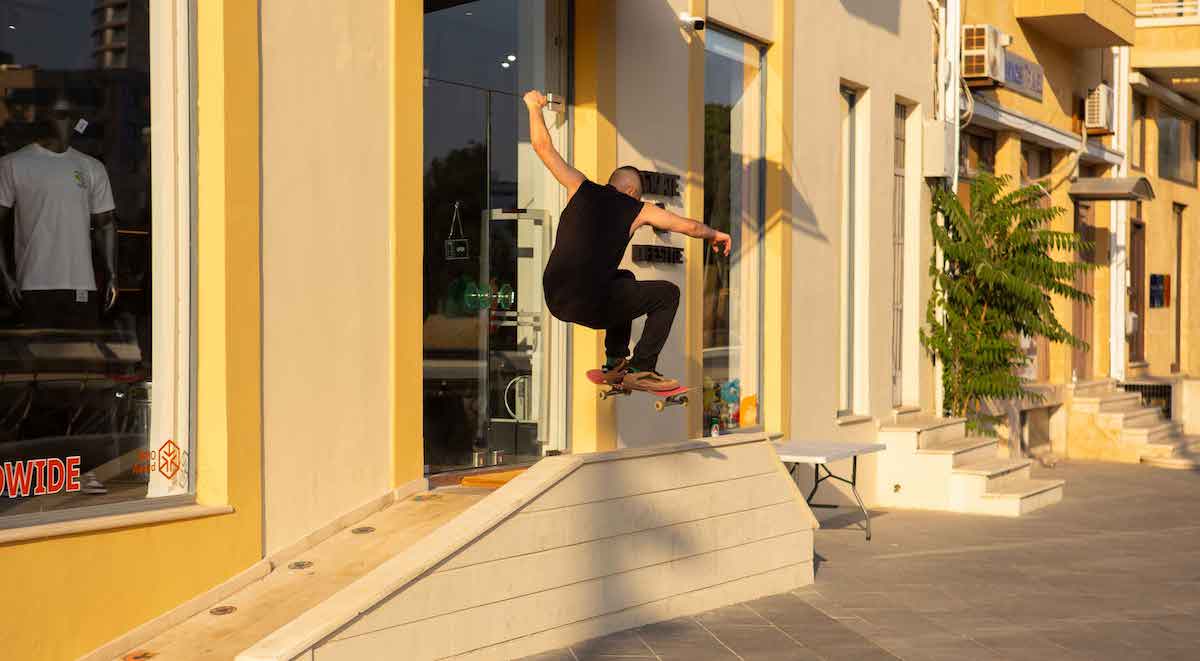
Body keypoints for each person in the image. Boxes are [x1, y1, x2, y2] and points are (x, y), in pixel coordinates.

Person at [524, 90, 731, 391]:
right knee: (668, 294)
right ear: (633, 192)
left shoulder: (579, 187)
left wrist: (534, 107)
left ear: (612, 183)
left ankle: (615, 361)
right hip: (591, 303)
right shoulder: (638, 208)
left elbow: (542, 146)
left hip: (556, 298)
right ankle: (643, 368)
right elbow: (688, 226)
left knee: (624, 279)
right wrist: (716, 233)